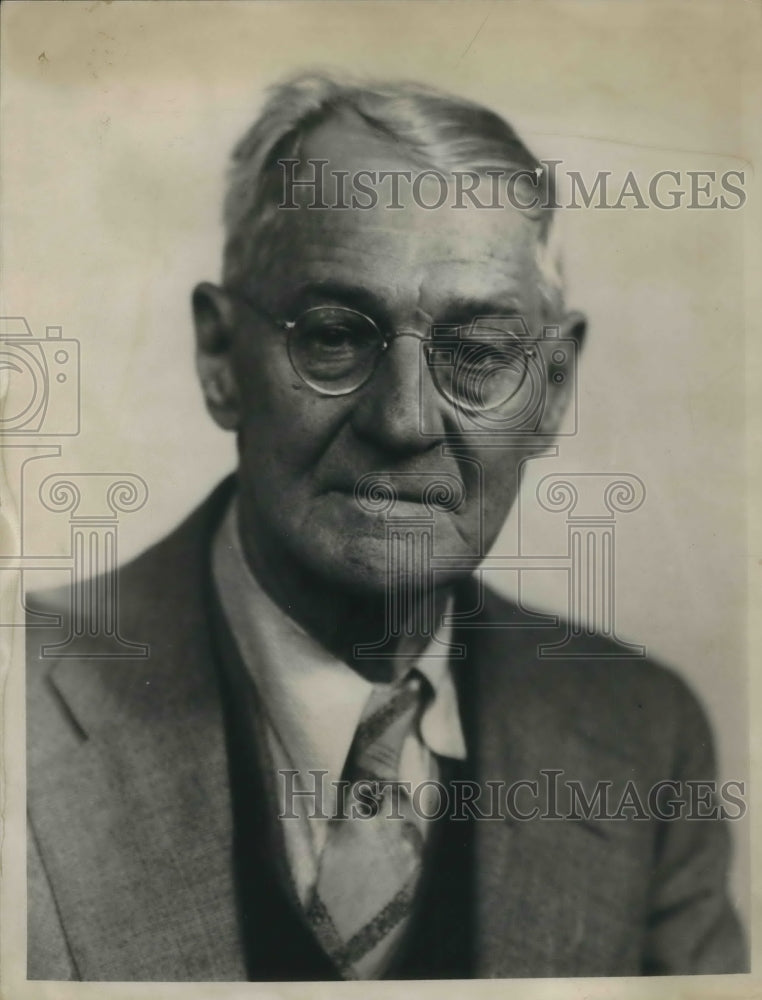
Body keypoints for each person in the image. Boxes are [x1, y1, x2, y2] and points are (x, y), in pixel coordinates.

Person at [26, 73, 746, 981]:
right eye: (334, 335)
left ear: (552, 389)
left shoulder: (644, 739)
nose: (404, 422)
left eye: (478, 354)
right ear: (221, 360)